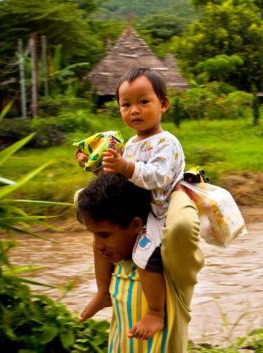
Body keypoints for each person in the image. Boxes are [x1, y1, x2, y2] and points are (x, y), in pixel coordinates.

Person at [76, 68, 185, 339]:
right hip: (135, 208)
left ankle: (156, 313)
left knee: (144, 256)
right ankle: (103, 292)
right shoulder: (132, 144)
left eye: (143, 102)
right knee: (98, 239)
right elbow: (118, 179)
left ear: (164, 104)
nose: (134, 110)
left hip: (158, 213)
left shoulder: (166, 143)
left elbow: (157, 176)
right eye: (126, 105)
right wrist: (96, 166)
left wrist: (125, 164)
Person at [76, 174, 204, 353]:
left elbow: (182, 226)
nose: (97, 246)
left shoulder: (172, 268)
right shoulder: (120, 260)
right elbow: (81, 198)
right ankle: (103, 293)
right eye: (94, 235)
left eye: (104, 235)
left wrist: (176, 188)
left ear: (136, 225)